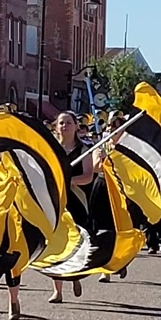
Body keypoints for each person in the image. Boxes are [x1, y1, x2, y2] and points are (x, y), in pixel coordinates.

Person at [49, 111, 96, 303]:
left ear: (76, 126)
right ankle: (57, 289)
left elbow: (88, 176)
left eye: (68, 122)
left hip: (77, 201)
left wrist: (68, 181)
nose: (64, 126)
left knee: (76, 243)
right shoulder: (51, 149)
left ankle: (75, 276)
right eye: (61, 123)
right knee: (55, 243)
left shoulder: (84, 150)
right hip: (55, 201)